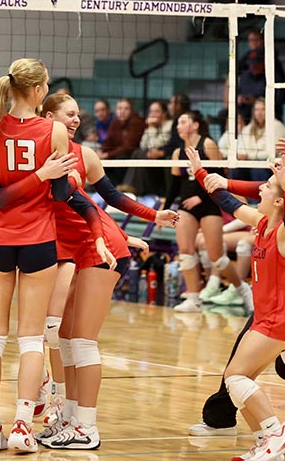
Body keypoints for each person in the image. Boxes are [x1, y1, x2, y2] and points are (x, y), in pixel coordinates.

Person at [0, 58, 112, 453]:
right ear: (37, 92)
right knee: (32, 338)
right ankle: (21, 426)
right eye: (46, 85)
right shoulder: (53, 131)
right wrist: (49, 180)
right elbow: (57, 194)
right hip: (38, 240)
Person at [36, 93, 177, 450]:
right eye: (68, 115)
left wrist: (152, 217)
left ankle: (87, 426)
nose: (75, 120)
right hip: (84, 246)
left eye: (77, 115)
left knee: (81, 341)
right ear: (47, 115)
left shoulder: (84, 155)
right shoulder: (41, 157)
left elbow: (110, 197)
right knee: (64, 338)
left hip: (102, 249)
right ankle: (69, 418)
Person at [187, 150, 285, 461]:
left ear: (280, 201)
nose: (260, 188)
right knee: (239, 382)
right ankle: (264, 440)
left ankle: (275, 434)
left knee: (235, 377)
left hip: (278, 319)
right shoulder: (262, 224)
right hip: (266, 318)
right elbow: (229, 203)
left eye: (267, 187)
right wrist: (201, 173)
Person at [167, 111, 226, 314]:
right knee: (185, 249)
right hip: (186, 206)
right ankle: (193, 298)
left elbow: (220, 174)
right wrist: (165, 208)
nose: (178, 126)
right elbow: (174, 185)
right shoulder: (177, 152)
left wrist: (201, 197)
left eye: (182, 122)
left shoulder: (208, 144)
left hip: (208, 202)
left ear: (195, 125)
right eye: (177, 122)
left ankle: (240, 288)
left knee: (216, 255)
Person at [237, 30, 285, 121]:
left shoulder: (273, 66)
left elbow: (280, 94)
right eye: (251, 40)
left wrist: (258, 101)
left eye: (255, 40)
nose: (253, 43)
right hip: (248, 109)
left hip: (269, 107)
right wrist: (240, 97)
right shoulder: (245, 64)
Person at [98, 98, 144, 184]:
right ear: (115, 111)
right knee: (99, 163)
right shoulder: (115, 122)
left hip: (131, 156)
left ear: (131, 111)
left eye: (126, 109)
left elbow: (128, 147)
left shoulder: (136, 122)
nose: (122, 111)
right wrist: (101, 151)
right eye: (119, 108)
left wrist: (108, 154)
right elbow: (108, 140)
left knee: (121, 158)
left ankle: (121, 188)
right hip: (117, 154)